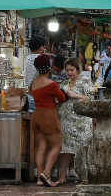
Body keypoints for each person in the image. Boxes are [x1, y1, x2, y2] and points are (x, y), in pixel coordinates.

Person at [30, 54, 67, 187]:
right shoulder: (51, 84)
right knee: (57, 145)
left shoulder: (33, 83)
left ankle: (40, 178)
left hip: (36, 115)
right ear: (49, 67)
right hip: (48, 115)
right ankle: (46, 173)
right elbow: (62, 98)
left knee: (42, 147)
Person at [57, 57, 94, 184]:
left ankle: (85, 177)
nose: (69, 72)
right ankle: (62, 176)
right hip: (66, 121)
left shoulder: (85, 82)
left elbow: (91, 98)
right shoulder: (64, 84)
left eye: (72, 70)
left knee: (82, 150)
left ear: (78, 69)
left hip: (81, 122)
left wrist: (75, 96)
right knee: (65, 150)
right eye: (67, 70)